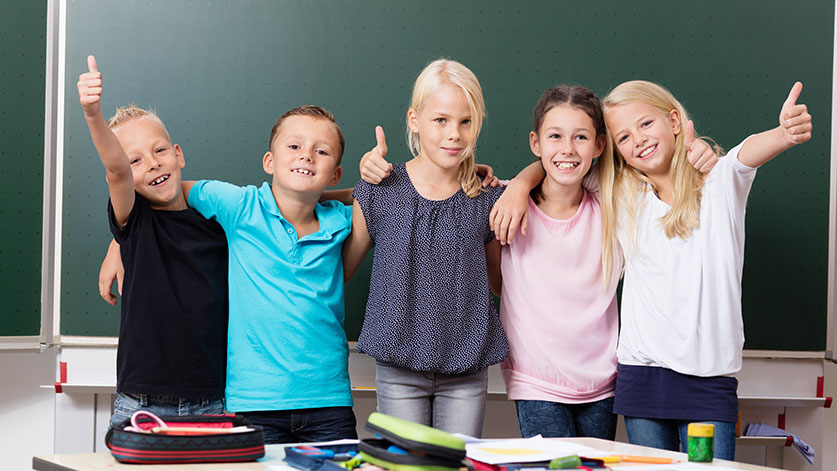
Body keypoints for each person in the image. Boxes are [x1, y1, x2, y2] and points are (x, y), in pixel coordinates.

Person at [593, 79, 812, 460]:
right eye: (623, 137)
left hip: (708, 381)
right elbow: (561, 164)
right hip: (642, 376)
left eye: (646, 124)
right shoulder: (623, 194)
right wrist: (518, 187)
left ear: (674, 121)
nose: (638, 140)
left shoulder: (720, 180)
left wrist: (783, 134)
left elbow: (747, 153)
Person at [344, 59, 508, 437]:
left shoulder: (487, 197)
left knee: (455, 463)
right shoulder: (379, 189)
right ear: (414, 120)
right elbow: (342, 270)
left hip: (467, 369)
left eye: (466, 122)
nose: (454, 134)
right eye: (441, 120)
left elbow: (499, 283)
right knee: (405, 463)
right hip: (398, 368)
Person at [180, 105, 358, 443]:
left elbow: (386, 196)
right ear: (269, 162)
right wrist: (119, 241)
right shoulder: (240, 206)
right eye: (294, 146)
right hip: (254, 403)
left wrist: (350, 193)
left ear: (335, 174)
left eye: (321, 151)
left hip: (328, 403)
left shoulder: (342, 220)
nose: (306, 155)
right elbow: (165, 191)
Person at [77, 55, 228, 428]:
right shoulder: (136, 223)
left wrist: (357, 195)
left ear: (178, 155)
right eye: (136, 161)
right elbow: (115, 169)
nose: (153, 163)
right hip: (140, 406)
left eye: (160, 151)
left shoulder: (219, 225)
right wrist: (93, 114)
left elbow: (279, 204)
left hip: (212, 403)